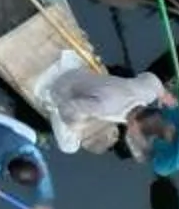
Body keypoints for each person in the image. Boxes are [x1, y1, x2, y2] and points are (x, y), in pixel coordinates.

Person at [40, 64, 170, 156]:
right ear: (135, 125)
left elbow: (151, 79)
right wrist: (75, 124)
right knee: (69, 147)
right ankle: (53, 109)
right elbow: (68, 107)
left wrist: (162, 93)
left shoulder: (146, 94)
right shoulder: (104, 107)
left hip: (82, 76)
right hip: (62, 85)